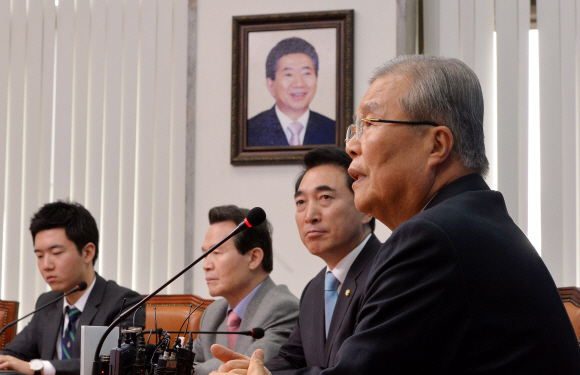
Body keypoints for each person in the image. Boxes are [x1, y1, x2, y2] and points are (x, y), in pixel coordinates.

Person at [209, 55, 580, 374]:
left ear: (436, 144)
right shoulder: (469, 223)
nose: (351, 145)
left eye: (369, 125)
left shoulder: (434, 239)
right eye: (355, 128)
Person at [264, 147, 379, 375]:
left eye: (325, 198)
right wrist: (251, 370)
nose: (310, 215)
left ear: (366, 209)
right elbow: (292, 359)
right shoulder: (315, 288)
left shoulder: (387, 271)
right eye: (301, 202)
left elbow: (360, 368)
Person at [0, 200, 145, 375]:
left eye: (56, 253)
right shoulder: (48, 302)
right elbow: (13, 354)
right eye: (39, 255)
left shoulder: (124, 303)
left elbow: (113, 365)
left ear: (87, 253)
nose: (46, 265)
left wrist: (39, 368)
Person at [192, 205, 299, 375]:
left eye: (216, 252)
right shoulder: (213, 313)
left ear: (254, 258)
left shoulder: (283, 308)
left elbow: (248, 366)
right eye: (205, 254)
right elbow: (183, 362)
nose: (206, 265)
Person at [247, 37, 335, 147]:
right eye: (288, 74)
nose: (299, 83)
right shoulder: (250, 131)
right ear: (271, 85)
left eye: (306, 73)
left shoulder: (333, 129)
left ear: (316, 78)